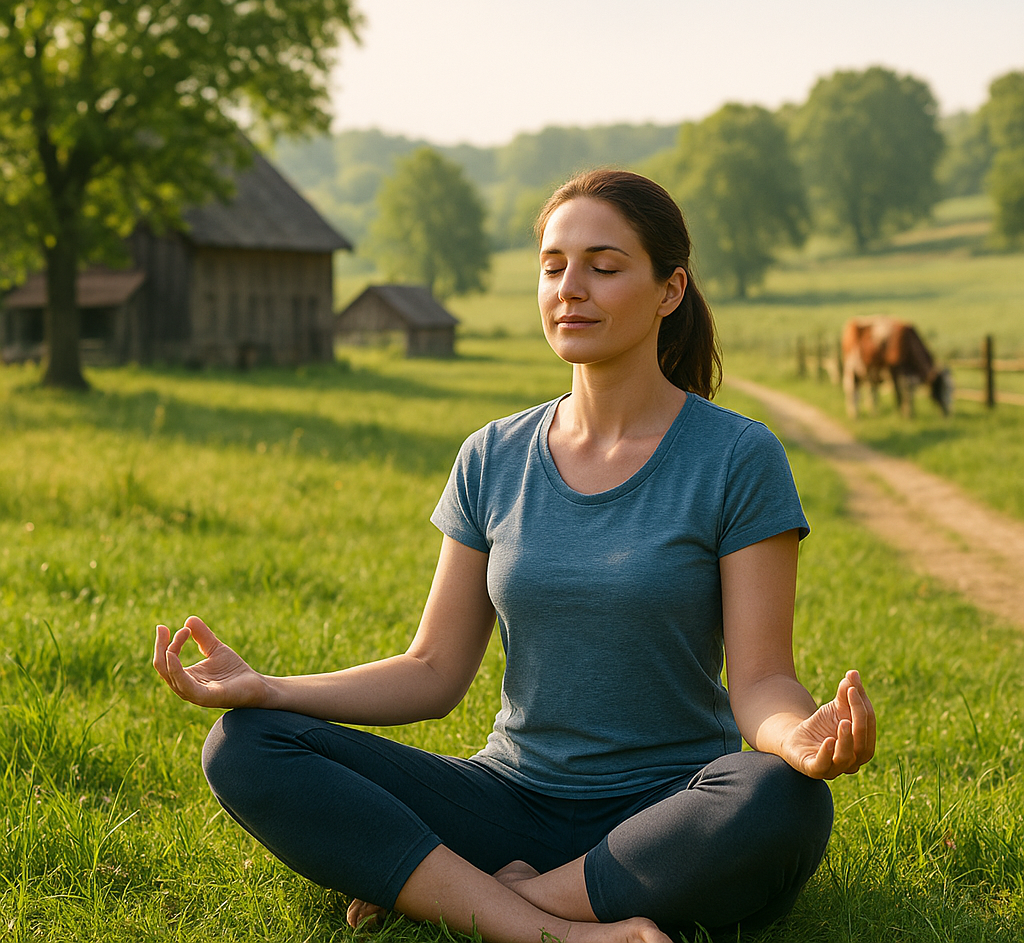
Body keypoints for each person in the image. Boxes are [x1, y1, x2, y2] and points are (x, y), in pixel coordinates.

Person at [154, 170, 875, 943]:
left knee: (783, 795)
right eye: (553, 266)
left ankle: (480, 895)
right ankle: (557, 927)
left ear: (670, 291)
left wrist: (798, 738)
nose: (571, 289)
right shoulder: (492, 455)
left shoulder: (737, 455)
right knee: (247, 744)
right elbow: (432, 671)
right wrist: (267, 687)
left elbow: (762, 679)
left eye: (603, 266)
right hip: (506, 800)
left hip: (667, 814)